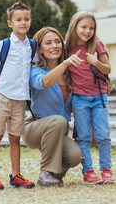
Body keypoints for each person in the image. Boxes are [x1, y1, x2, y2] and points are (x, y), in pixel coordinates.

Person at [22, 27, 84, 187]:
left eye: (57, 41)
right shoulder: (35, 70)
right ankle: (45, 172)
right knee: (58, 121)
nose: (54, 46)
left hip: (59, 131)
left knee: (75, 156)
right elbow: (45, 82)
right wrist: (64, 64)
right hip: (34, 127)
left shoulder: (71, 73)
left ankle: (51, 176)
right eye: (48, 43)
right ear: (40, 49)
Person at [0, 0, 37, 190]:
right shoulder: (4, 44)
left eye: (26, 19)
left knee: (15, 138)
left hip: (20, 99)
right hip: (2, 96)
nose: (23, 23)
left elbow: (38, 64)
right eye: (18, 20)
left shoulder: (31, 46)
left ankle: (16, 176)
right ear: (10, 23)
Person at [65, 11, 114, 184]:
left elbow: (107, 69)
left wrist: (95, 62)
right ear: (75, 27)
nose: (87, 31)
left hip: (99, 98)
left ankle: (106, 170)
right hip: (79, 99)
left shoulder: (97, 45)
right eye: (83, 27)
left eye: (91, 28)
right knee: (83, 137)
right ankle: (88, 172)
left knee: (103, 135)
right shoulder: (67, 48)